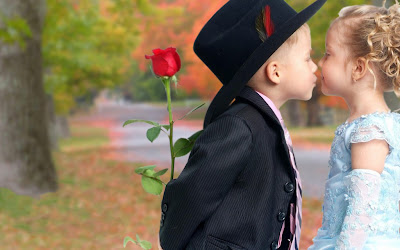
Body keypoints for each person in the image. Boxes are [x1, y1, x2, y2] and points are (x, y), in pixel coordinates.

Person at [158, 0, 326, 249]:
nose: (315, 65)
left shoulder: (265, 123)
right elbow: (192, 195)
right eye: (307, 58)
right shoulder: (239, 126)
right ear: (275, 72)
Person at [308, 1, 400, 249]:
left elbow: (362, 209)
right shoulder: (368, 124)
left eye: (328, 54)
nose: (319, 63)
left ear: (358, 68)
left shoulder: (369, 131)